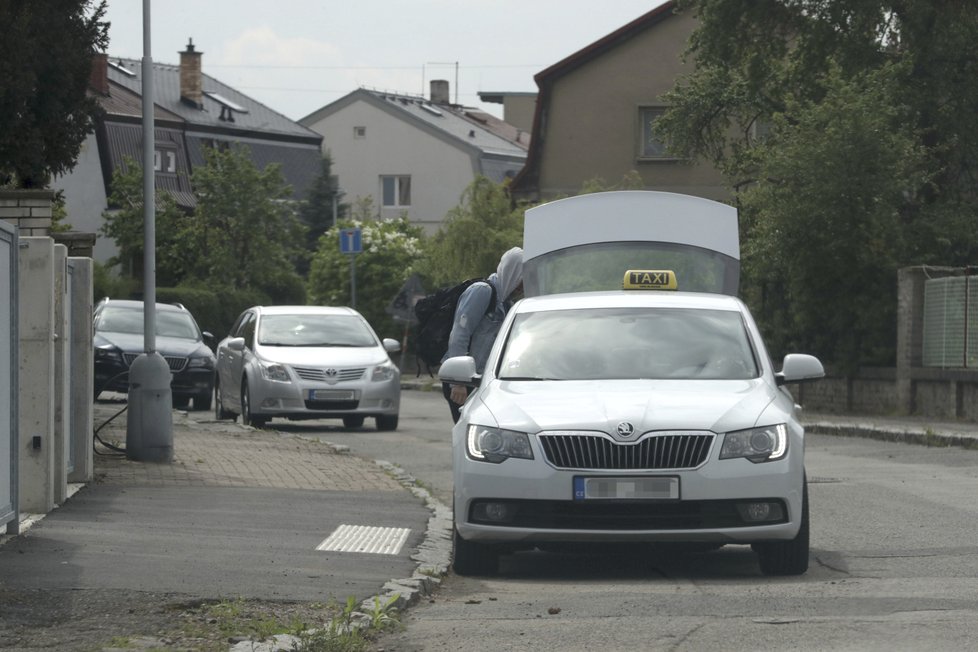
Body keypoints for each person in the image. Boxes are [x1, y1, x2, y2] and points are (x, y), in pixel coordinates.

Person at [442, 246, 524, 423]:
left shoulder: (506, 304)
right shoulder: (482, 291)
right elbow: (459, 334)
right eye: (521, 279)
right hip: (464, 380)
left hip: (483, 381)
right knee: (467, 433)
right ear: (512, 272)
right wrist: (459, 382)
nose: (522, 286)